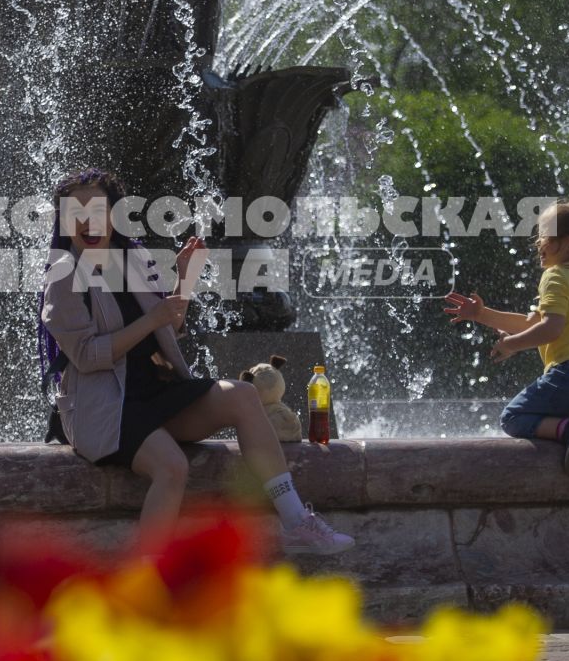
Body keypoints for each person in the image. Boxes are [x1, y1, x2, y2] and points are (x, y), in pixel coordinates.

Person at [39, 168, 354, 555]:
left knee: (240, 395)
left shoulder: (132, 255)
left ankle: (296, 521)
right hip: (105, 407)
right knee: (172, 467)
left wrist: (185, 281)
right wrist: (151, 319)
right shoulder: (63, 278)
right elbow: (87, 357)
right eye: (76, 212)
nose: (88, 221)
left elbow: (167, 326)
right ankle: (147, 579)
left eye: (97, 210)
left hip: (154, 392)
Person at [443, 198, 569, 474]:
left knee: (514, 416)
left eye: (545, 236)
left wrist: (511, 345)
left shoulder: (555, 275)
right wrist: (481, 314)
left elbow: (551, 328)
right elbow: (532, 322)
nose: (538, 243)